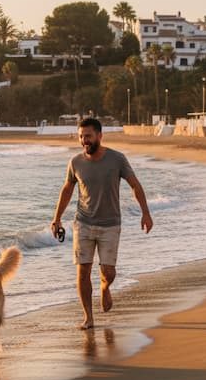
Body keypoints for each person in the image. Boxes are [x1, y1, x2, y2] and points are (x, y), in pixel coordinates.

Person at [49, 118, 153, 329]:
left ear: (99, 136)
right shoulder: (75, 162)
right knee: (83, 271)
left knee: (109, 272)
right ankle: (88, 317)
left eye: (88, 136)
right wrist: (56, 219)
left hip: (110, 224)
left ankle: (105, 287)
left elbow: (135, 185)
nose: (84, 140)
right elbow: (67, 190)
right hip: (83, 223)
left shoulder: (117, 159)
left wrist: (146, 213)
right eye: (80, 136)